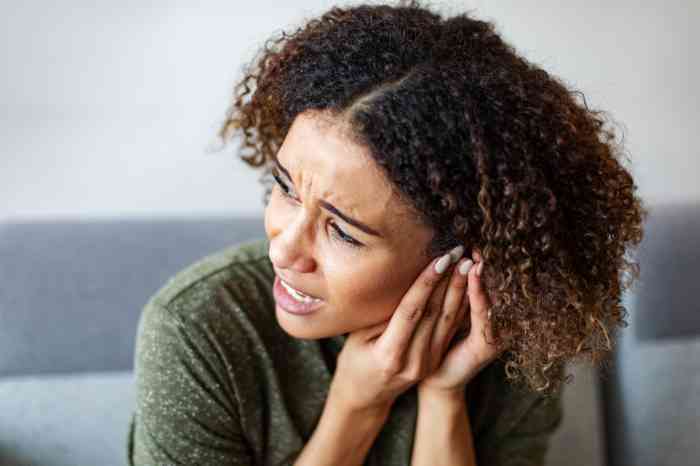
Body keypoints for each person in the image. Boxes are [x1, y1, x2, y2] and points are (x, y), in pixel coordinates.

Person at [127, 1, 648, 465]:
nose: (283, 249)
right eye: (286, 188)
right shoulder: (198, 331)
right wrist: (357, 404)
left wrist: (444, 397)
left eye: (343, 233)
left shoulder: (509, 338)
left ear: (459, 255)